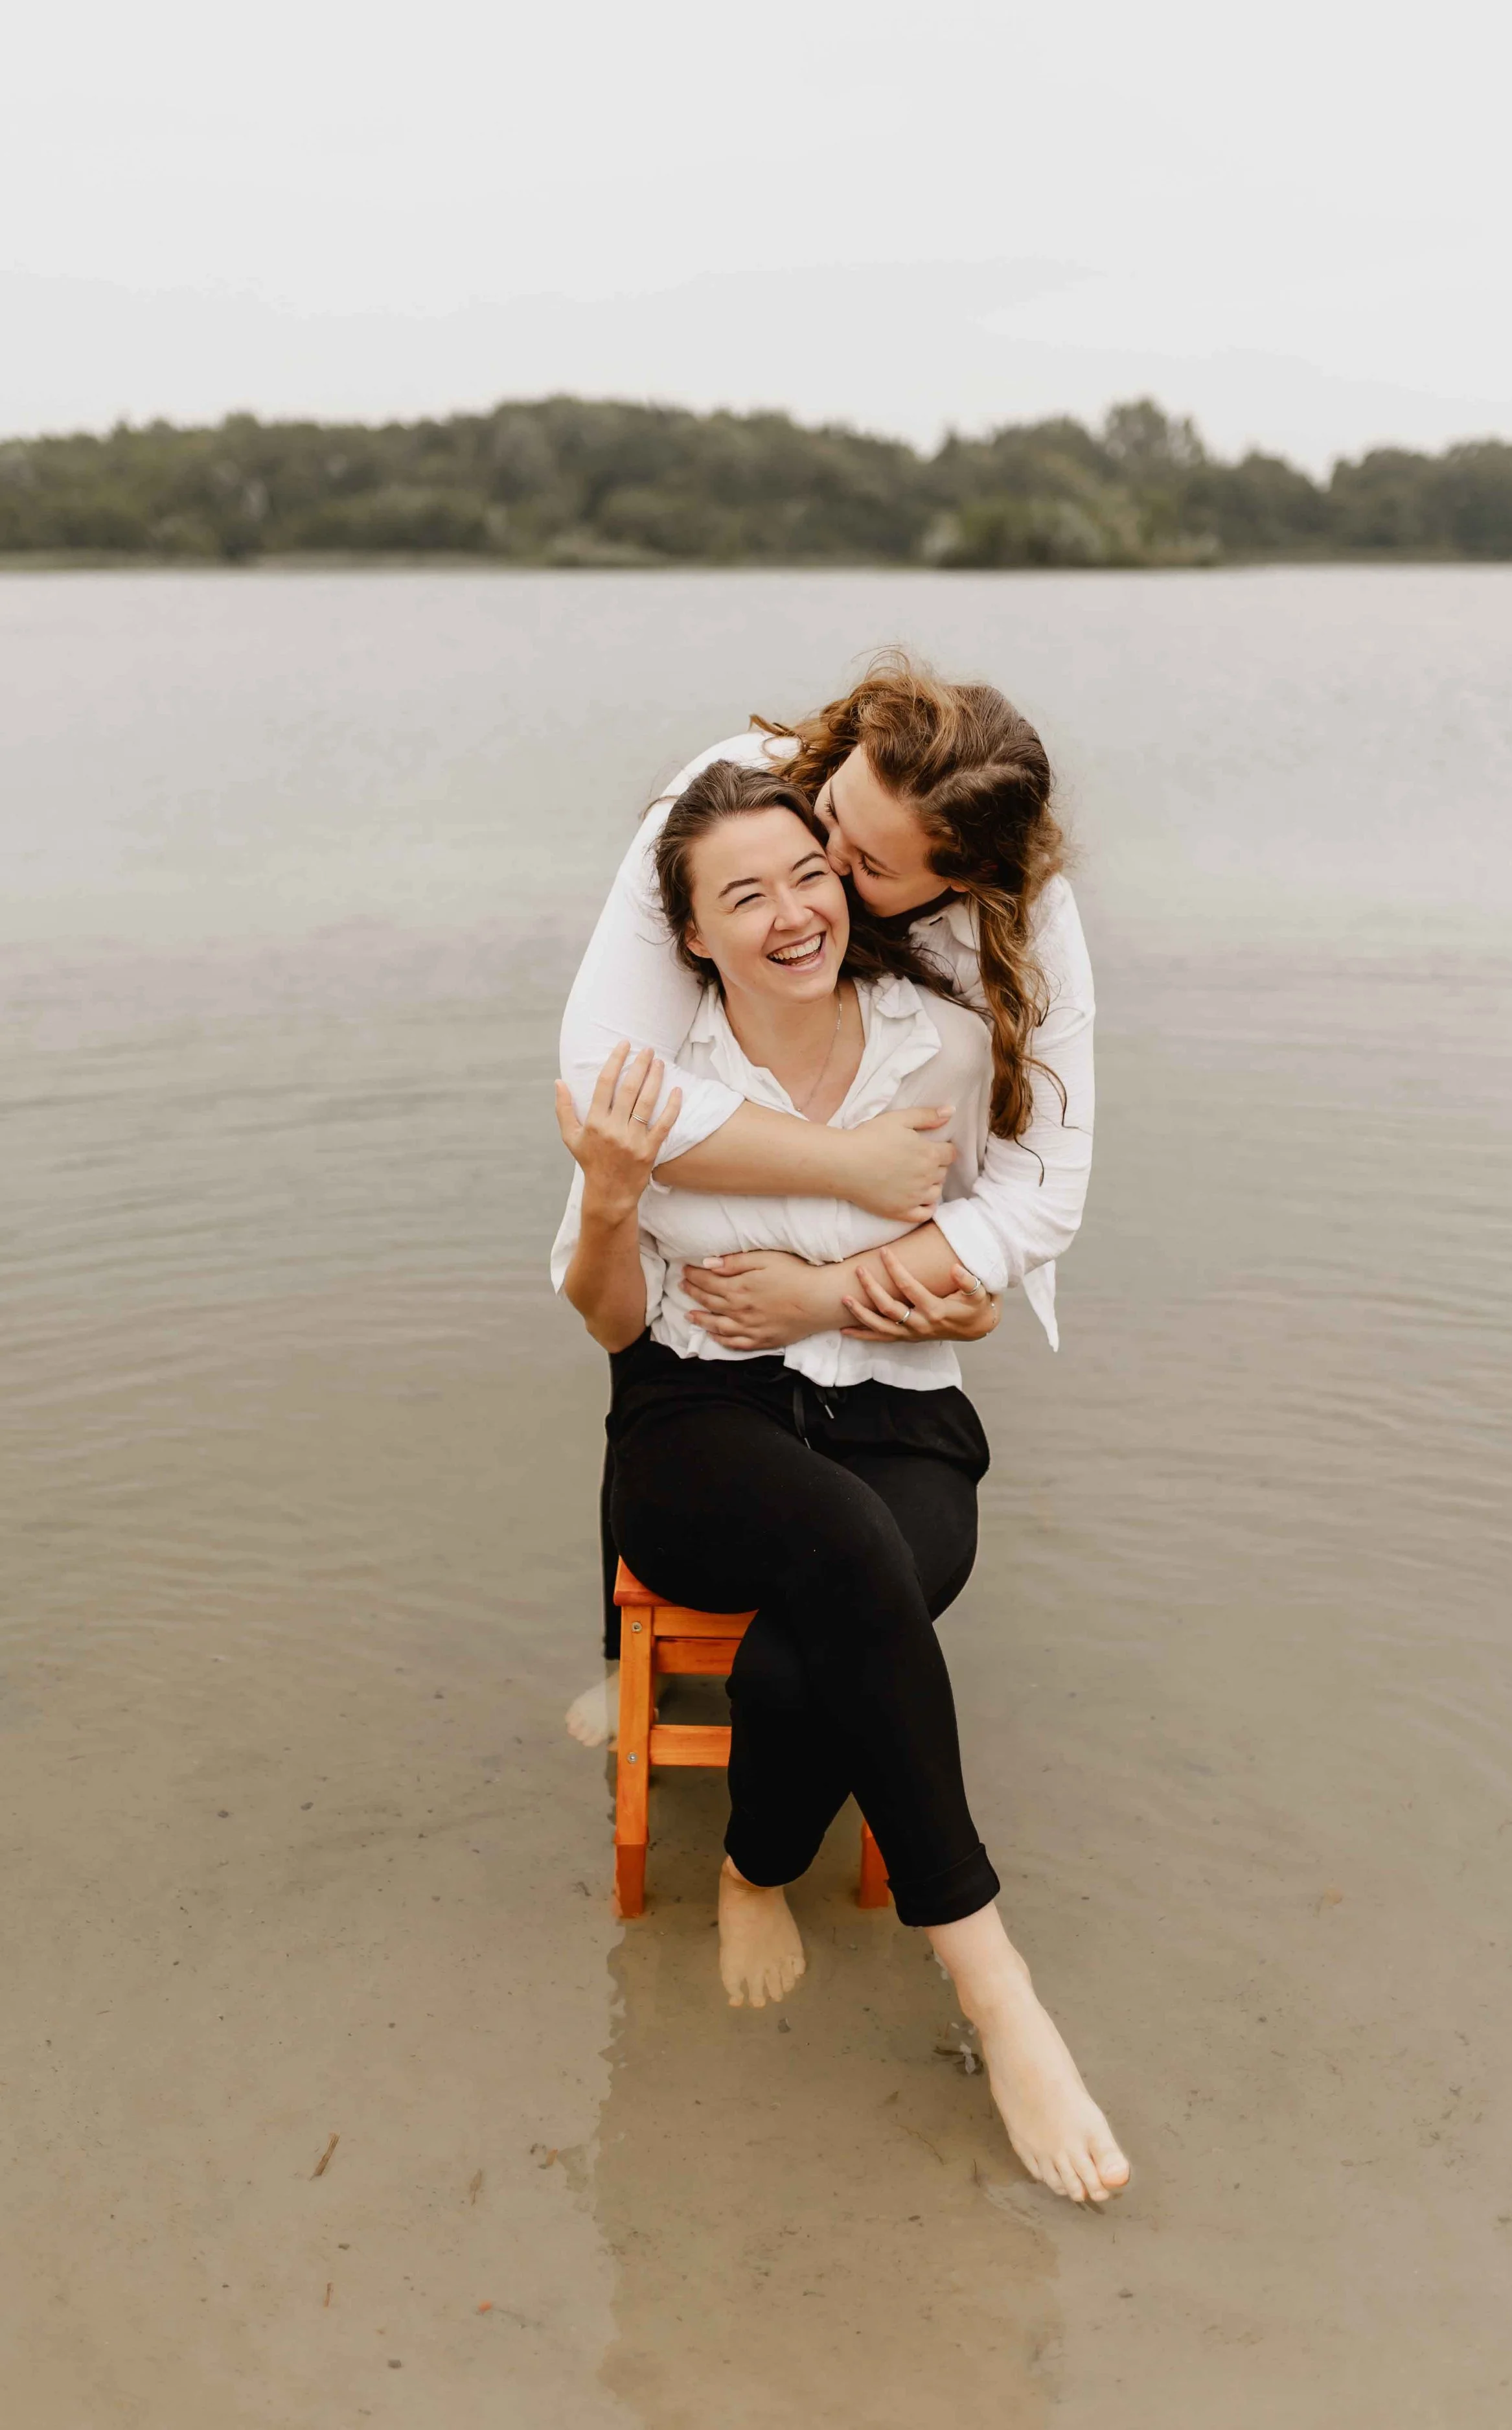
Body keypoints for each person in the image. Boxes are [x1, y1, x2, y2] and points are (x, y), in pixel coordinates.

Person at [552, 757, 1130, 2207]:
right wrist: (615, 1196)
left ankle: (754, 1864)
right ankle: (997, 1991)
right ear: (690, 934)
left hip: (899, 1411)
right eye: (741, 897)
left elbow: (991, 1265)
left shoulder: (936, 1044)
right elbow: (609, 1318)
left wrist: (883, 1296)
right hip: (702, 1415)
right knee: (844, 1550)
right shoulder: (654, 1072)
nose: (791, 912)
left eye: (808, 875)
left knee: (829, 1626)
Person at [560, 649, 1095, 1746]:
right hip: (725, 1160)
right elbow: (601, 1079)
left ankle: (797, 1682)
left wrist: (835, 1291)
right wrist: (843, 1161)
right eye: (838, 817)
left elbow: (1039, 1196)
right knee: (664, 1331)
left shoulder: (1025, 919)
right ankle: (635, 1666)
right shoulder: (742, 799)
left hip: (876, 1215)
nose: (831, 870)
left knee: (853, 1479)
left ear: (958, 880)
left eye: (870, 869)